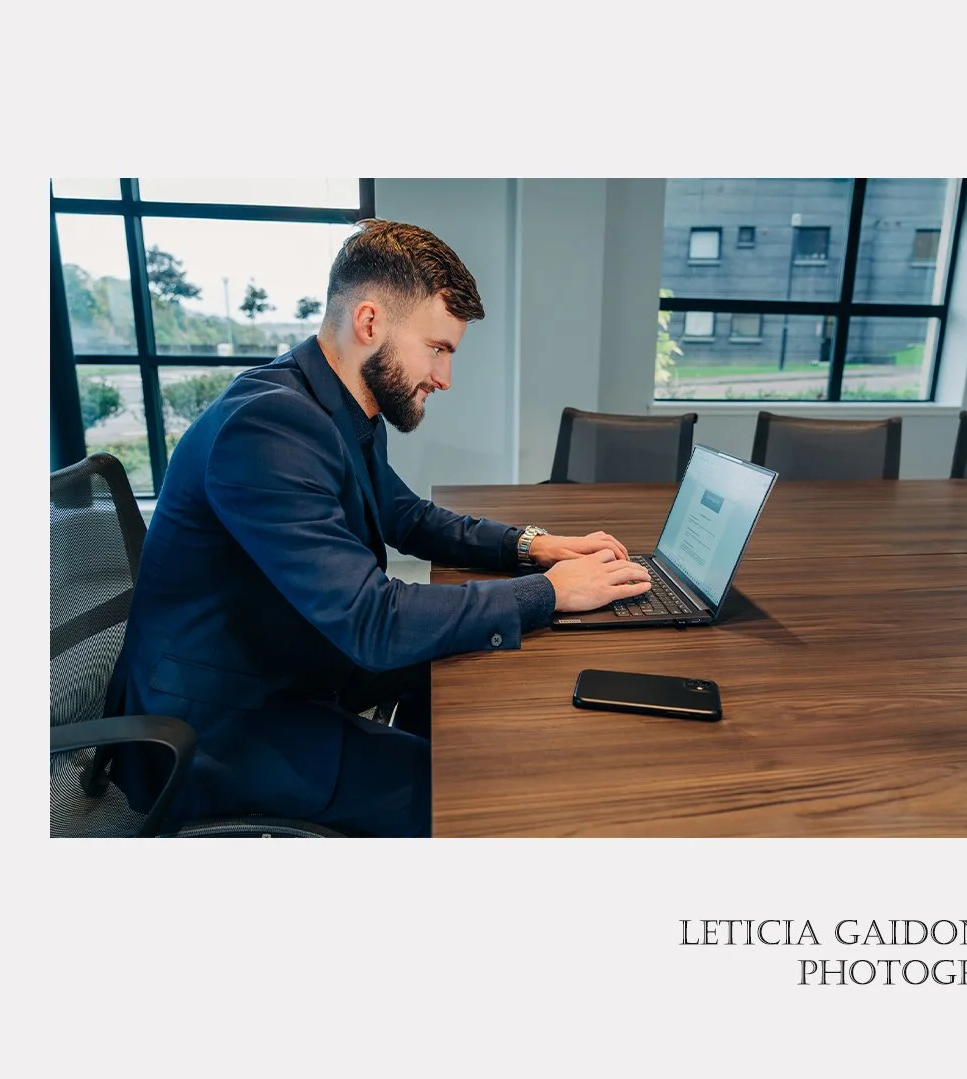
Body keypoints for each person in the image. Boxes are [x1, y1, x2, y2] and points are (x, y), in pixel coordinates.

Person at [104, 219, 651, 837]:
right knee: (480, 794)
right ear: (370, 323)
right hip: (218, 728)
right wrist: (551, 592)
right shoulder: (267, 430)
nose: (445, 377)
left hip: (289, 657)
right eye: (438, 348)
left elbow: (404, 516)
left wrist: (532, 547)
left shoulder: (333, 402)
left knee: (488, 687)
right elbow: (370, 621)